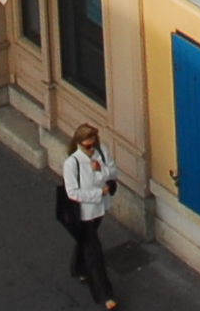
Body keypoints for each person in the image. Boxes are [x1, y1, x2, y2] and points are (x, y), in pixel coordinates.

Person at [59, 125, 119, 308]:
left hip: (99, 210)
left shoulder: (101, 152)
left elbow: (113, 173)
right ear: (78, 144)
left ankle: (78, 267)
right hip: (83, 213)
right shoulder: (72, 164)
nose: (92, 149)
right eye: (88, 146)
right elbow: (72, 193)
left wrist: (101, 168)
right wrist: (99, 193)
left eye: (94, 144)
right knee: (94, 253)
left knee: (84, 242)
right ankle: (106, 294)